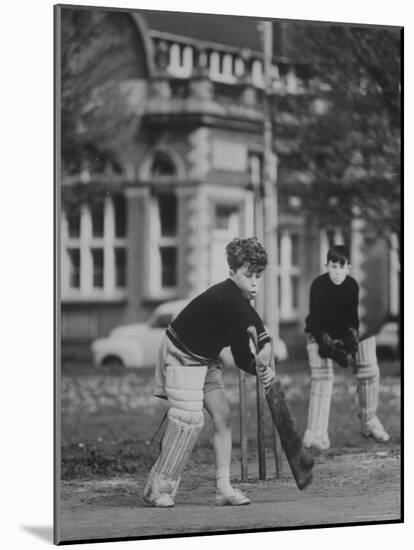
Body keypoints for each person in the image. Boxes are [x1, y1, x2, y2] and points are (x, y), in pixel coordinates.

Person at [143, 237, 274, 508]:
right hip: (180, 353)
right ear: (231, 274)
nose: (253, 282)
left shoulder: (241, 308)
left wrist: (259, 368)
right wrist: (265, 342)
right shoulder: (226, 295)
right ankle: (158, 489)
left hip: (206, 360)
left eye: (258, 276)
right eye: (248, 275)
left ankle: (223, 488)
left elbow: (240, 356)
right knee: (187, 421)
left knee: (223, 416)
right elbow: (254, 323)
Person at [303, 244, 390, 451]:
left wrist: (350, 341)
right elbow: (315, 320)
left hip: (340, 333)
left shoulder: (352, 285)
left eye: (341, 267)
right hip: (317, 333)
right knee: (322, 378)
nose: (336, 271)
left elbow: (352, 318)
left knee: (369, 366)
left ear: (348, 267)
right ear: (327, 266)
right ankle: (316, 433)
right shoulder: (318, 285)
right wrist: (328, 345)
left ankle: (369, 420)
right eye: (333, 266)